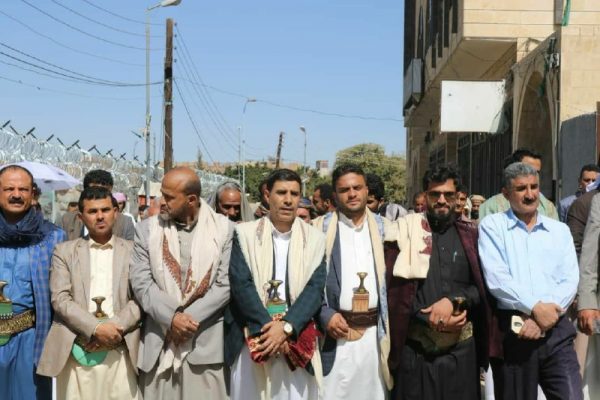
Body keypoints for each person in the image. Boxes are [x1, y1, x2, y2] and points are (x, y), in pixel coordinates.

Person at [385, 165, 492, 400]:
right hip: (416, 354)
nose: (441, 200)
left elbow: (482, 288)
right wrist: (429, 317)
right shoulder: (404, 233)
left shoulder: (471, 236)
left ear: (458, 197)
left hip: (461, 356)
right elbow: (394, 292)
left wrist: (453, 302)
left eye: (448, 194)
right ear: (425, 196)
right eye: (435, 194)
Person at [478, 162, 582, 400]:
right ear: (506, 194)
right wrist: (535, 308)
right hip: (515, 332)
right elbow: (497, 278)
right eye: (521, 188)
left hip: (556, 332)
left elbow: (569, 279)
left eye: (534, 187)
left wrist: (544, 317)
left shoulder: (559, 231)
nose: (530, 194)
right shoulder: (493, 226)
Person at [130, 167, 233, 400]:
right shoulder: (146, 230)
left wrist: (186, 322)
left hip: (205, 350)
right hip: (160, 344)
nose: (161, 201)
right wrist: (171, 317)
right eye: (162, 194)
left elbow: (224, 285)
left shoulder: (225, 230)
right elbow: (141, 281)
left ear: (191, 200)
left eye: (169, 197)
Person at [225, 169, 326, 399]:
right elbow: (241, 284)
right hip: (255, 337)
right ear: (267, 195)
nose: (288, 200)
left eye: (294, 194)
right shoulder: (244, 234)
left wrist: (287, 327)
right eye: (281, 192)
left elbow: (314, 289)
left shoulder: (315, 239)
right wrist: (269, 330)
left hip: (296, 339)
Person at [37, 187, 141, 399]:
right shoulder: (64, 251)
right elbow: (60, 299)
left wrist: (112, 329)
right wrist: (95, 328)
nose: (100, 216)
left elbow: (140, 298)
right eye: (92, 211)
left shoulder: (134, 251)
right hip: (78, 348)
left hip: (120, 348)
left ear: (115, 212)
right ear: (81, 217)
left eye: (105, 210)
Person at [314, 164, 393, 399]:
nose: (352, 194)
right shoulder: (318, 230)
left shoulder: (386, 229)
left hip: (374, 338)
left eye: (357, 188)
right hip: (336, 336)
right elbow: (305, 283)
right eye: (344, 189)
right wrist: (325, 314)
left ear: (367, 190)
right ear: (334, 195)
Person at [0, 165, 65, 400]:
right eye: (9, 189)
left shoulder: (52, 237)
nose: (16, 194)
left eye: (23, 189)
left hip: (31, 339)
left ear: (33, 193)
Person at [478, 149, 559, 221]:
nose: (532, 175)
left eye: (537, 172)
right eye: (526, 169)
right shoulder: (492, 206)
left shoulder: (548, 207)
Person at [59, 170, 135, 241]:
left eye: (103, 193)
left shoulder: (125, 223)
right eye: (93, 192)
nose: (98, 198)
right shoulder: (66, 221)